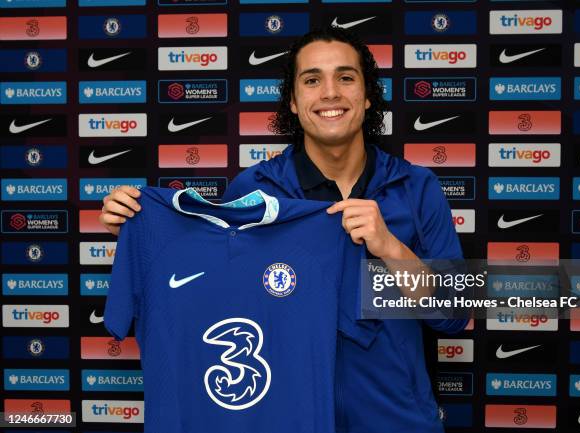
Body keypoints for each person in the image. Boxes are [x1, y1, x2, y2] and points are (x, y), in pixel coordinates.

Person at [100, 27, 467, 433]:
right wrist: (142, 240)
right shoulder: (255, 190)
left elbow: (454, 315)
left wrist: (390, 248)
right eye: (312, 80)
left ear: (367, 96)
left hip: (396, 419)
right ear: (293, 101)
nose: (330, 93)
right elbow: (215, 293)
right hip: (287, 418)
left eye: (345, 78)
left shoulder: (416, 188)